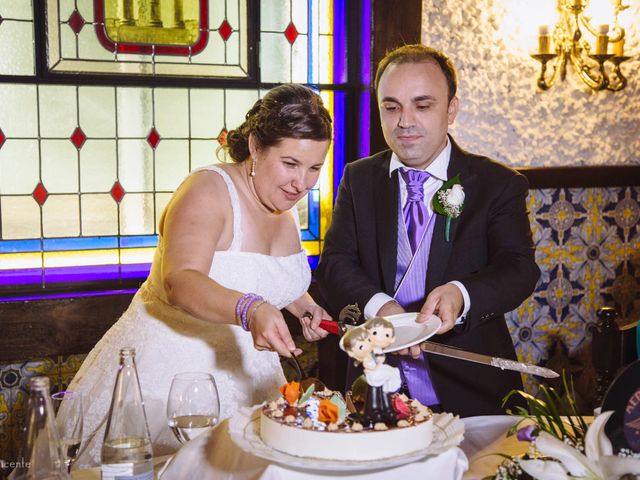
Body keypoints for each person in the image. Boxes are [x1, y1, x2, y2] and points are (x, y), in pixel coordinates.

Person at [60, 84, 333, 467]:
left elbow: (261, 277)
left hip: (252, 385)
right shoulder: (208, 189)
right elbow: (181, 279)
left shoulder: (282, 206)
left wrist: (305, 307)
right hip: (168, 386)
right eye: (290, 164)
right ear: (255, 147)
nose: (302, 183)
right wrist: (250, 309)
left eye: (314, 168)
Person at [315, 44, 540, 417]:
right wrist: (379, 309)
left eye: (422, 105)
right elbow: (335, 264)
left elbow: (519, 268)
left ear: (451, 109)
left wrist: (461, 293)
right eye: (391, 107)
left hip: (470, 386)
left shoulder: (497, 183)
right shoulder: (358, 178)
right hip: (375, 382)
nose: (405, 121)